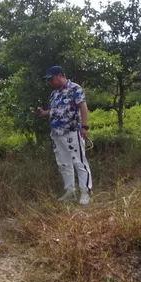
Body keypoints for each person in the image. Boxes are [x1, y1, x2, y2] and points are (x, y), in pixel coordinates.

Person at [35, 65, 93, 205]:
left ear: (60, 75)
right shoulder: (54, 93)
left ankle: (86, 192)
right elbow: (56, 110)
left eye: (52, 79)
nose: (50, 82)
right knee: (64, 164)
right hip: (57, 134)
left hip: (72, 132)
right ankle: (70, 192)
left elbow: (83, 108)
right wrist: (44, 113)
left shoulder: (75, 88)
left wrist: (84, 127)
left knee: (79, 162)